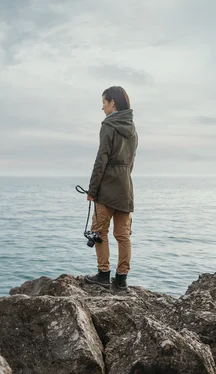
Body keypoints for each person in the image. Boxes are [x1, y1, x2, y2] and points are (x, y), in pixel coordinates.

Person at [84, 86, 138, 289]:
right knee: (123, 235)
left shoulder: (108, 125)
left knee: (99, 231)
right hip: (125, 186)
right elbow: (131, 162)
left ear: (112, 103)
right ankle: (122, 279)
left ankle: (103, 275)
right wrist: (123, 176)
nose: (102, 107)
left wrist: (92, 190)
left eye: (104, 103)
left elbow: (101, 159)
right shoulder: (132, 128)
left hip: (106, 187)